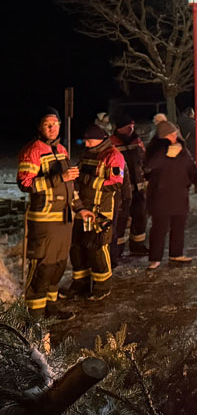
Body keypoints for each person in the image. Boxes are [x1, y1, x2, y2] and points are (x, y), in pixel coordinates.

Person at [17, 107, 80, 320]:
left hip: (64, 219)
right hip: (44, 220)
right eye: (47, 124)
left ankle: (50, 307)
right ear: (40, 127)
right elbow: (25, 184)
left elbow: (69, 184)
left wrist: (80, 208)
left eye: (56, 124)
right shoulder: (32, 150)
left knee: (59, 265)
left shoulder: (62, 149)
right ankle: (33, 315)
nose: (53, 128)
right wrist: (59, 178)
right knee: (42, 266)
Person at [63, 125, 125, 301]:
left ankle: (102, 286)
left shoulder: (114, 156)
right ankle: (80, 283)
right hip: (81, 209)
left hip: (99, 211)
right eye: (86, 139)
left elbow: (114, 184)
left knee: (97, 248)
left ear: (100, 139)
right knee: (77, 247)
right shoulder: (87, 154)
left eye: (90, 139)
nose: (86, 143)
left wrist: (86, 179)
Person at [145, 121, 197, 270]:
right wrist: (165, 153)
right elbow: (149, 167)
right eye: (171, 134)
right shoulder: (156, 150)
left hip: (180, 193)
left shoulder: (182, 150)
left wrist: (195, 180)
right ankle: (155, 258)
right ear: (164, 136)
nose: (175, 136)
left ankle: (176, 253)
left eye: (175, 133)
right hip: (161, 195)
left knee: (179, 225)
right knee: (159, 228)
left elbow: (190, 166)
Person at [110, 115, 150, 257]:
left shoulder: (137, 141)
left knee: (140, 216)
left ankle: (137, 245)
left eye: (132, 126)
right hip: (121, 191)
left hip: (138, 188)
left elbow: (144, 160)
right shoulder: (112, 144)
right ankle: (117, 249)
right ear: (120, 128)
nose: (131, 128)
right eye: (128, 126)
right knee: (121, 220)